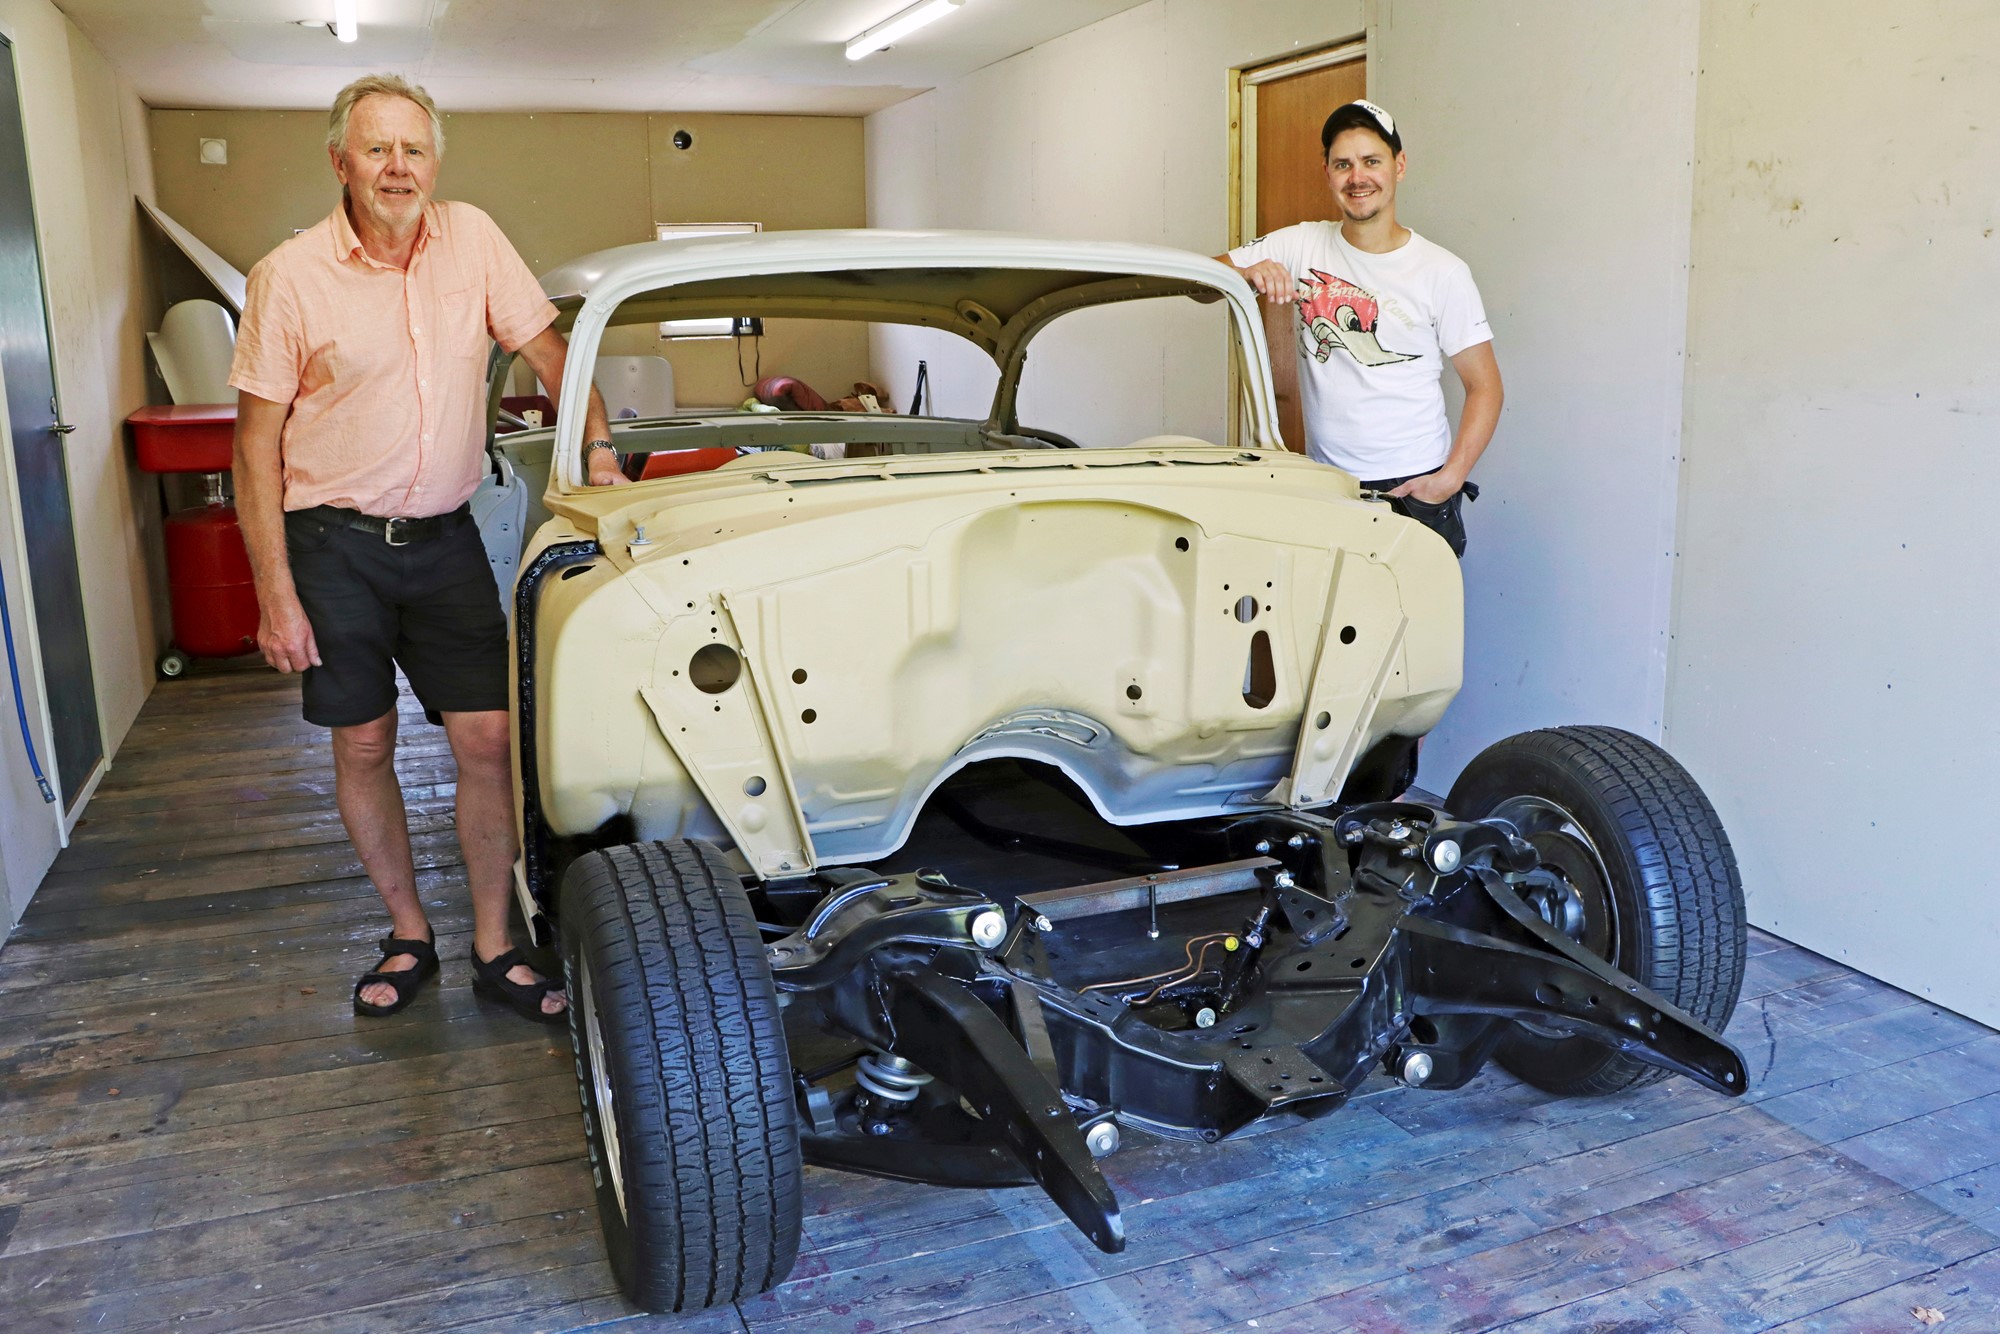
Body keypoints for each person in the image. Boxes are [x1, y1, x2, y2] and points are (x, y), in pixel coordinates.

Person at [228, 74, 629, 1024]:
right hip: (332, 544)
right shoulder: (290, 276)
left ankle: (495, 942)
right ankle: (409, 931)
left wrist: (600, 448)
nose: (398, 168)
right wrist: (275, 595)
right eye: (377, 149)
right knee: (365, 741)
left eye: (414, 149)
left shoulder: (473, 239)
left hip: (446, 538)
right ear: (341, 162)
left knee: (486, 740)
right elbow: (251, 449)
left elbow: (554, 356)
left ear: (435, 163)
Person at [1219, 99, 1503, 557]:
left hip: (1413, 491)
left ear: (1399, 166)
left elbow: (1485, 386)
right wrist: (1244, 274)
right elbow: (1199, 283)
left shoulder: (1442, 271)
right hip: (1328, 486)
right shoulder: (1301, 243)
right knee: (1325, 606)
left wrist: (1448, 480)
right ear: (1327, 173)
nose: (1357, 177)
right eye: (1343, 164)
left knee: (1417, 606)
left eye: (1372, 161)